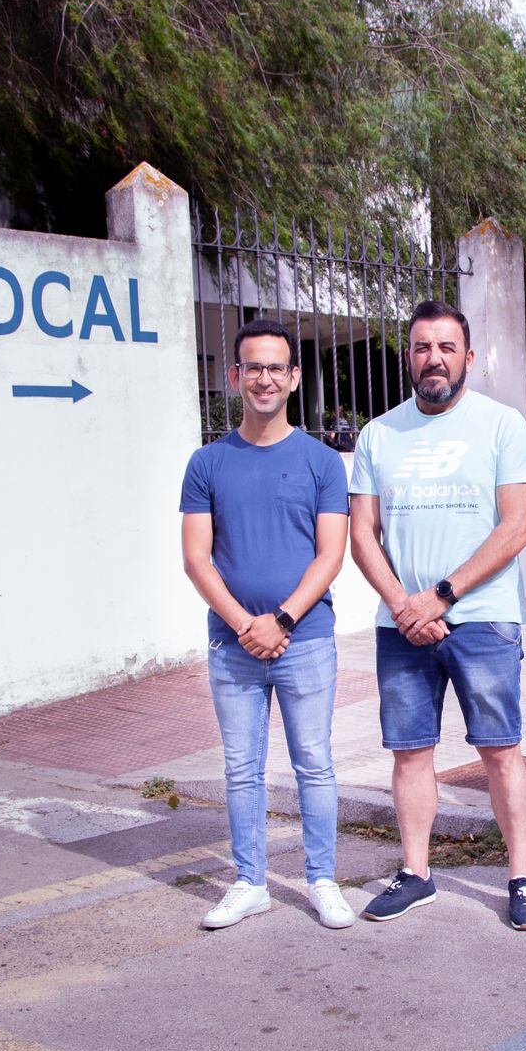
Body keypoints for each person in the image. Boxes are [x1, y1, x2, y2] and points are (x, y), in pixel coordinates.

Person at [347, 299, 526, 929]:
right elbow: (362, 536)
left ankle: (521, 876)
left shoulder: (502, 425)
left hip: (483, 620)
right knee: (410, 753)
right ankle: (416, 873)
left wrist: (442, 595)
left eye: (445, 347)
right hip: (403, 625)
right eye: (421, 347)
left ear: (468, 356)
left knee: (500, 750)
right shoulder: (378, 434)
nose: (433, 358)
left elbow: (517, 529)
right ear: (409, 356)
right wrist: (406, 606)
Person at [180, 318, 352, 931]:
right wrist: (245, 624)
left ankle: (323, 879)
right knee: (242, 767)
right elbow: (196, 557)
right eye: (253, 367)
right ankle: (250, 881)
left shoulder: (322, 462)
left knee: (314, 762)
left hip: (305, 641)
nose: (264, 379)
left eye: (276, 367)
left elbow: (331, 554)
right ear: (234, 377)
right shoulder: (207, 462)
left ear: (294, 377)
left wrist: (280, 619)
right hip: (233, 646)